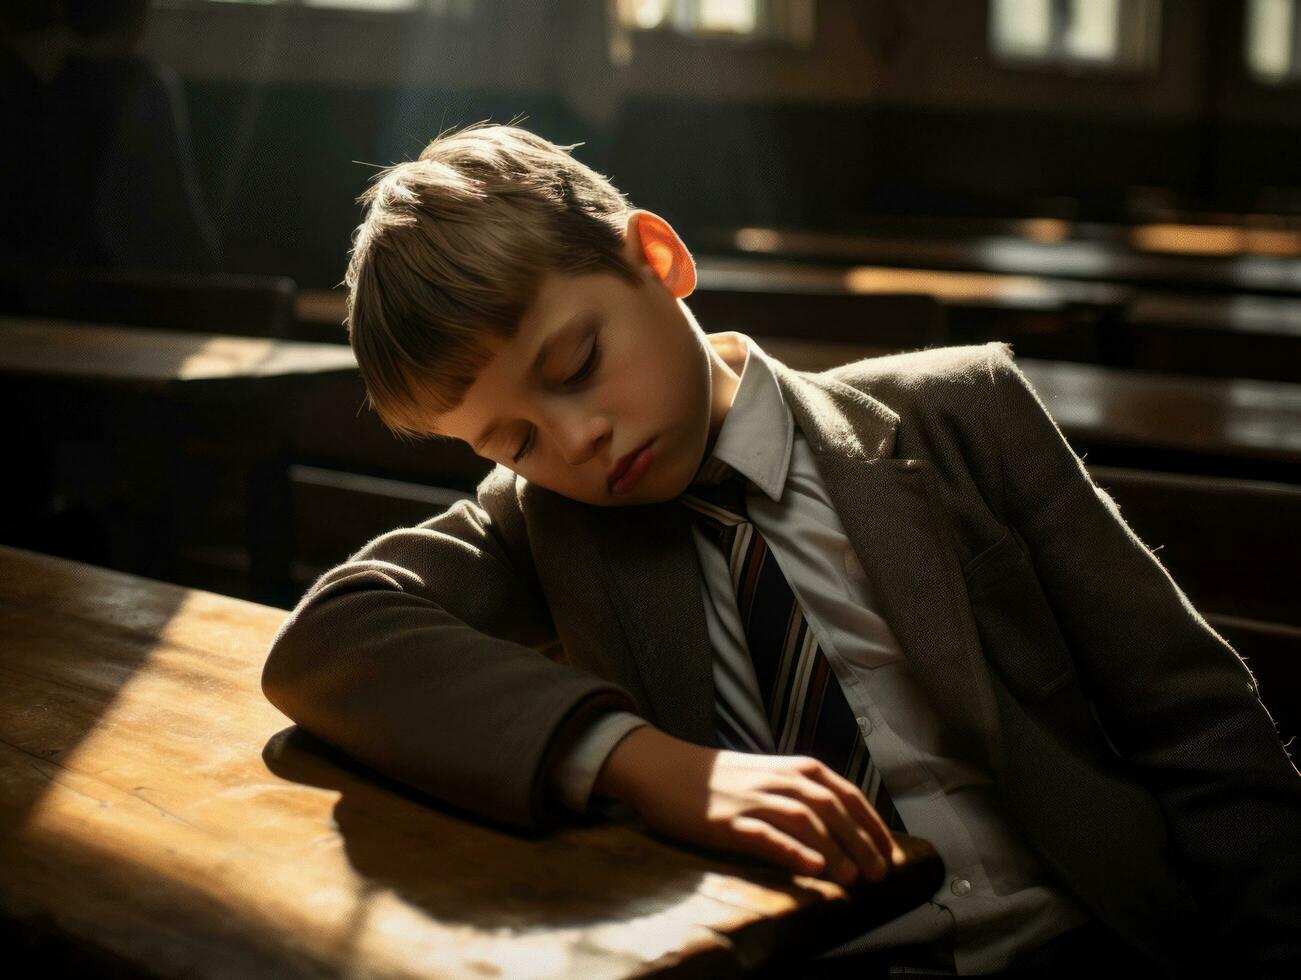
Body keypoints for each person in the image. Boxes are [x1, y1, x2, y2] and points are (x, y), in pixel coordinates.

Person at [260, 122, 1301, 978]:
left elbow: (1199, 729)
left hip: (1082, 940)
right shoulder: (545, 517)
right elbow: (333, 635)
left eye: (575, 363)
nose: (572, 441)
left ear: (655, 259)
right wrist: (644, 764)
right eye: (511, 439)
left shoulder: (955, 416)